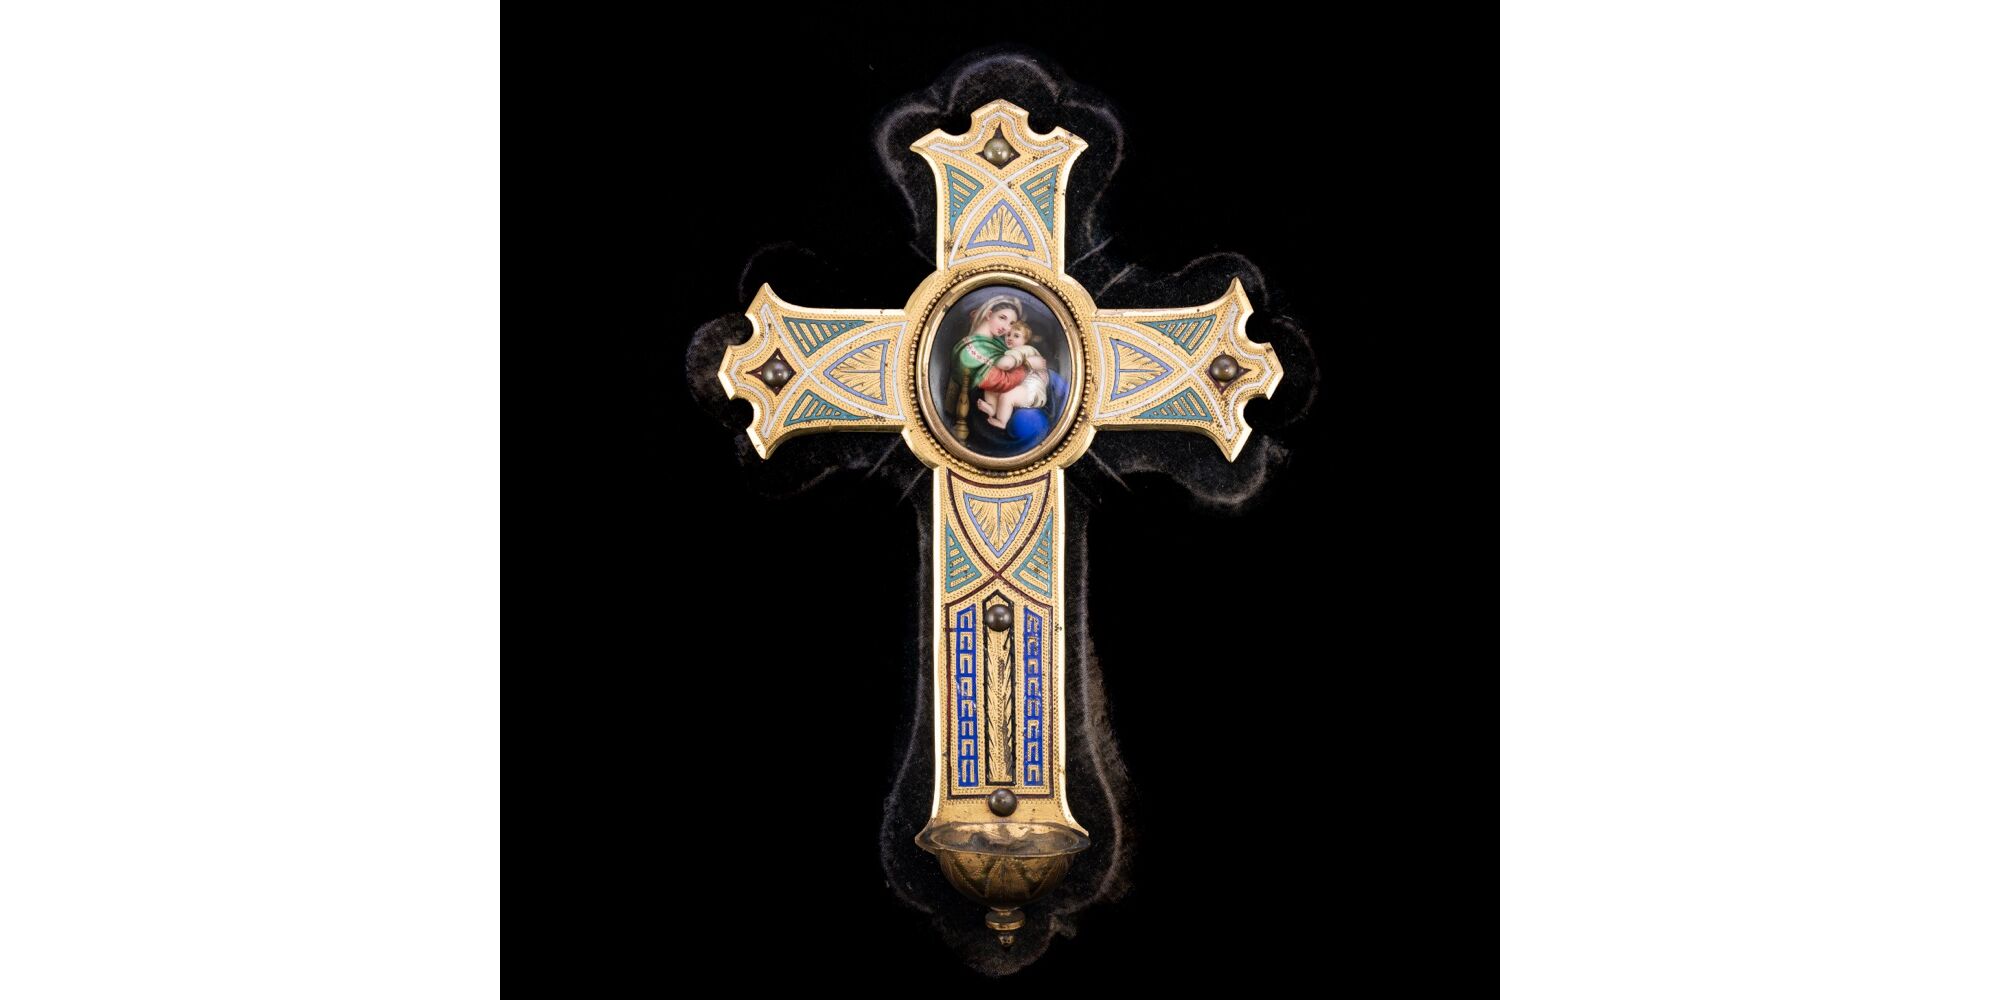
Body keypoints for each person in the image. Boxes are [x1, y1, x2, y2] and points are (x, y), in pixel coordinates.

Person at [974, 320, 1048, 429]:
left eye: (1016, 336)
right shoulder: (1012, 351)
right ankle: (993, 408)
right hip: (1020, 385)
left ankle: (1002, 422)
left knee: (1006, 396)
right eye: (1008, 335)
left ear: (1025, 341)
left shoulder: (1024, 350)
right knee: (993, 386)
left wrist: (994, 362)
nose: (1010, 338)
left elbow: (1006, 364)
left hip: (1032, 391)